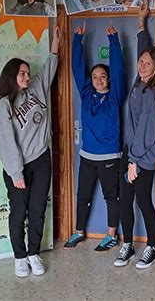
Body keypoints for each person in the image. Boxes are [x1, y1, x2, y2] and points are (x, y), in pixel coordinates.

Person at [0, 26, 60, 278]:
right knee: (19, 212)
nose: (27, 77)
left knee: (38, 208)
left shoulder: (37, 89)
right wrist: (16, 172)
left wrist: (55, 44)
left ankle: (33, 253)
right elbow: (6, 141)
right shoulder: (2, 105)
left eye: (28, 73)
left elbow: (50, 67)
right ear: (11, 76)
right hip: (17, 167)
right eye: (22, 73)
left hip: (41, 159)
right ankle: (19, 256)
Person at [114, 1, 155, 269]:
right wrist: (141, 22)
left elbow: (147, 133)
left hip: (144, 155)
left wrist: (134, 161)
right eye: (141, 62)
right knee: (125, 199)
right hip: (131, 152)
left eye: (148, 63)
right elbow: (143, 51)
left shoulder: (152, 94)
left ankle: (151, 246)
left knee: (143, 200)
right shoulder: (139, 82)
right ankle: (127, 244)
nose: (142, 65)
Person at [63, 22, 125, 252]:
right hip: (87, 156)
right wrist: (76, 42)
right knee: (83, 196)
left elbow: (118, 70)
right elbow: (77, 70)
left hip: (109, 155)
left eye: (102, 76)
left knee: (112, 197)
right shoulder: (87, 93)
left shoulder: (115, 96)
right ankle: (79, 232)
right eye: (95, 76)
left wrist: (114, 41)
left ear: (108, 79)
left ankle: (111, 235)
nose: (99, 80)